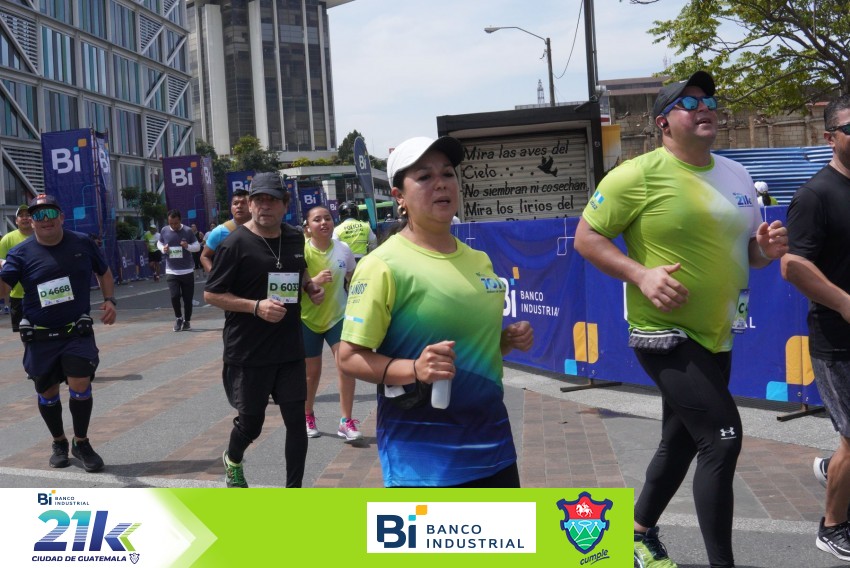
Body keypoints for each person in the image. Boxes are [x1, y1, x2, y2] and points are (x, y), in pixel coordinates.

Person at [573, 71, 788, 568]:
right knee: (722, 438)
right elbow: (587, 237)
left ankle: (636, 534)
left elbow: (751, 255)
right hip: (663, 332)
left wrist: (765, 250)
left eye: (708, 99)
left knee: (682, 441)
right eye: (689, 102)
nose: (704, 106)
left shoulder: (736, 174)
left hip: (718, 334)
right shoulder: (636, 174)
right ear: (662, 123)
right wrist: (640, 275)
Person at [337, 136, 534, 488]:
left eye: (447, 173)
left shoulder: (479, 260)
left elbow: (471, 349)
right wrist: (414, 369)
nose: (441, 183)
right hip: (423, 458)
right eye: (424, 177)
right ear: (399, 197)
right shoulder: (382, 264)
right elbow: (349, 358)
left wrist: (504, 341)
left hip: (493, 445)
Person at [204, 172, 324, 488]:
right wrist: (256, 306)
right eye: (259, 200)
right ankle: (232, 459)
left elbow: (298, 269)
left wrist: (309, 286)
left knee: (296, 422)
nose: (264, 206)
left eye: (272, 200)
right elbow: (211, 294)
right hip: (249, 351)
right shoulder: (234, 244)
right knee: (251, 425)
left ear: (285, 204)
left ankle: (294, 493)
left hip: (289, 347)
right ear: (250, 204)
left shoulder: (294, 237)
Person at [0, 194, 117, 472]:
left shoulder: (82, 243)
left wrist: (110, 300)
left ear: (61, 217)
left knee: (80, 384)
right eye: (38, 215)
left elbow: (104, 272)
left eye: (50, 213)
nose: (45, 220)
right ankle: (59, 442)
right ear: (31, 221)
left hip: (76, 330)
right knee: (48, 391)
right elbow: (3, 289)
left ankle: (81, 442)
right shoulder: (20, 253)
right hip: (40, 335)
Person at [781, 94, 850, 562]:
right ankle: (832, 526)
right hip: (838, 340)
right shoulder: (814, 195)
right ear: (829, 137)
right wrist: (845, 304)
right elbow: (792, 265)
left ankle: (832, 467)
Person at [300, 205, 360, 441]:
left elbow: (353, 277)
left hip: (338, 317)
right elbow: (289, 288)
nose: (323, 222)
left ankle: (346, 421)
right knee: (311, 374)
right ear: (308, 226)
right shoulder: (302, 251)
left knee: (347, 366)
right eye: (317, 219)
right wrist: (313, 281)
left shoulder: (343, 249)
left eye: (327, 218)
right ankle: (307, 415)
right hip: (308, 320)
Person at [158, 210, 200, 332]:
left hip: (187, 270)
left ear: (180, 220)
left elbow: (197, 247)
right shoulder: (164, 230)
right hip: (171, 270)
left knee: (187, 299)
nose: (173, 226)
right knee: (174, 296)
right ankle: (178, 318)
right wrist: (163, 249)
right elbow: (159, 243)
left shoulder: (188, 231)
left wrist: (187, 246)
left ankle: (187, 321)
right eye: (171, 223)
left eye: (176, 223)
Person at [200, 188, 251, 274]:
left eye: (243, 203)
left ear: (251, 206)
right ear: (231, 207)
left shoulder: (262, 229)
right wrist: (215, 277)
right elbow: (204, 257)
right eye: (235, 203)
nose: (239, 206)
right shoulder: (220, 231)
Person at [0, 204, 34, 331]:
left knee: (44, 329)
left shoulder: (41, 235)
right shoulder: (7, 239)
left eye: (28, 215)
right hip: (18, 296)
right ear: (16, 221)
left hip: (40, 293)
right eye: (21, 216)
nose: (25, 218)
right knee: (23, 333)